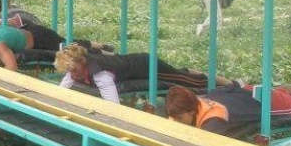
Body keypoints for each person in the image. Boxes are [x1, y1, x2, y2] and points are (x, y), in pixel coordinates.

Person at [55, 44, 234, 104]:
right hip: (134, 67)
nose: (73, 76)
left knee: (189, 81)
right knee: (182, 74)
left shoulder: (101, 74)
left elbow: (112, 105)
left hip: (145, 65)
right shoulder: (76, 68)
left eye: (74, 71)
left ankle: (228, 84)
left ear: (83, 63)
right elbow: (62, 89)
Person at [165, 76, 291, 135]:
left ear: (191, 111)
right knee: (276, 91)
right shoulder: (194, 101)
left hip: (263, 104)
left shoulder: (212, 121)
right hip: (243, 94)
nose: (174, 121)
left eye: (178, 118)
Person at [0, 23, 107, 72]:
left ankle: (99, 50)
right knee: (67, 42)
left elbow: (11, 68)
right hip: (28, 31)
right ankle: (95, 44)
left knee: (68, 48)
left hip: (40, 38)